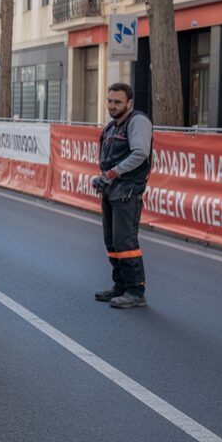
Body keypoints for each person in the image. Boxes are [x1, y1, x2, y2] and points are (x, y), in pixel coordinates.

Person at [91, 83, 153, 309]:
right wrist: (102, 178)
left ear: (129, 102)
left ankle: (136, 291)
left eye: (117, 102)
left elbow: (140, 153)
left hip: (127, 192)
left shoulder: (137, 122)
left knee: (125, 242)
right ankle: (120, 285)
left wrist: (111, 173)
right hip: (111, 191)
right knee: (112, 241)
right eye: (109, 101)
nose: (112, 105)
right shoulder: (111, 127)